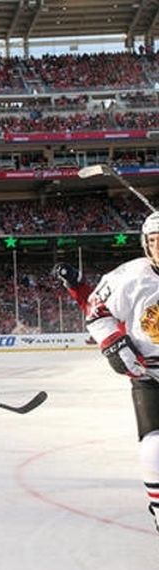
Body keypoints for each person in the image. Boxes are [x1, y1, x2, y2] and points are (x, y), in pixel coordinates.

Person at [76, 211, 159, 533]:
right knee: (154, 439)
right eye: (155, 241)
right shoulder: (129, 276)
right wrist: (113, 342)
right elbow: (96, 312)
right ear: (145, 244)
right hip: (148, 370)